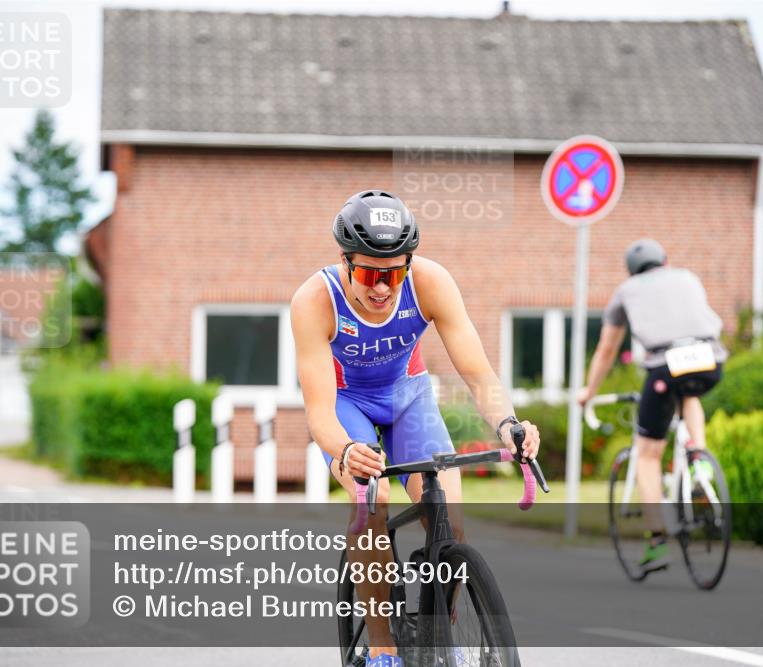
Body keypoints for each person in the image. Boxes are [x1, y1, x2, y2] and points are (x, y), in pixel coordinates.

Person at [290, 190, 540, 667]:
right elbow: (319, 409)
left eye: (394, 272)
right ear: (344, 262)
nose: (382, 287)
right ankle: (384, 650)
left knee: (449, 509)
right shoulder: (314, 301)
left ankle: (440, 639)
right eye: (368, 273)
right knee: (373, 502)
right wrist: (345, 452)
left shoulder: (430, 282)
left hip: (408, 395)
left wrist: (508, 424)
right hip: (347, 404)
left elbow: (477, 372)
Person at [576, 239, 726, 574]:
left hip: (664, 366)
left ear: (632, 270)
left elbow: (606, 350)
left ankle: (657, 541)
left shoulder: (625, 290)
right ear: (665, 260)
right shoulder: (686, 277)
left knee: (647, 453)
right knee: (689, 394)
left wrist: (589, 391)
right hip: (710, 360)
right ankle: (699, 462)